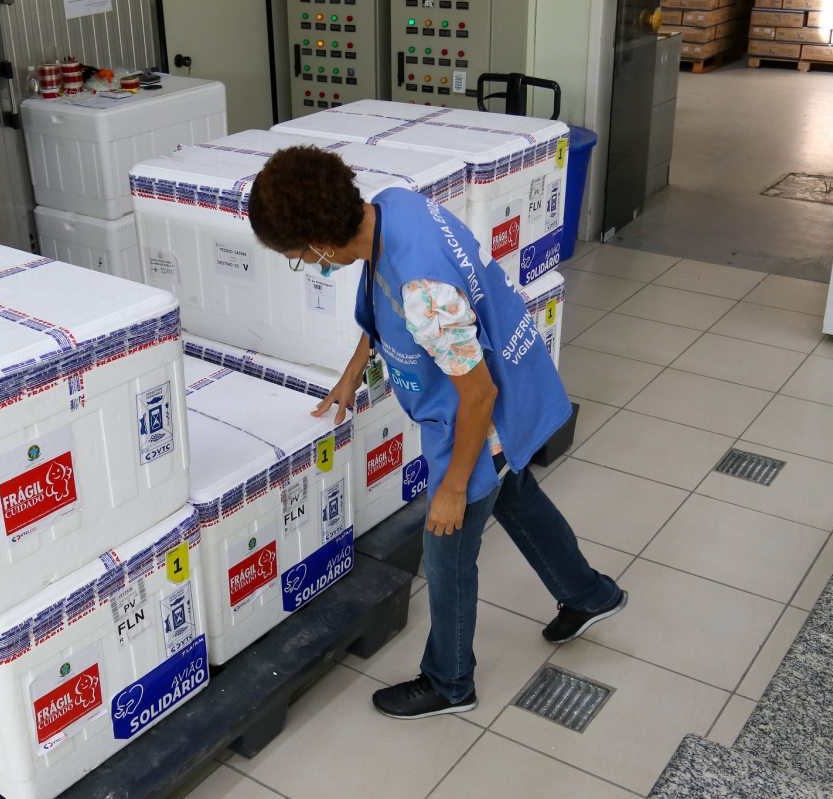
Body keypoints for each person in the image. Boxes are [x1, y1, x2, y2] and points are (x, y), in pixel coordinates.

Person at [247, 146, 627, 720]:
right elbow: (382, 299)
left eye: (297, 255)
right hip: (500, 383)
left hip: (483, 417)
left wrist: (452, 487)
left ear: (320, 243)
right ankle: (590, 595)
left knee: (447, 551)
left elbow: (478, 395)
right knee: (516, 495)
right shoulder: (391, 209)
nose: (303, 262)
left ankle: (450, 683)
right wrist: (354, 371)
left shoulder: (425, 293)